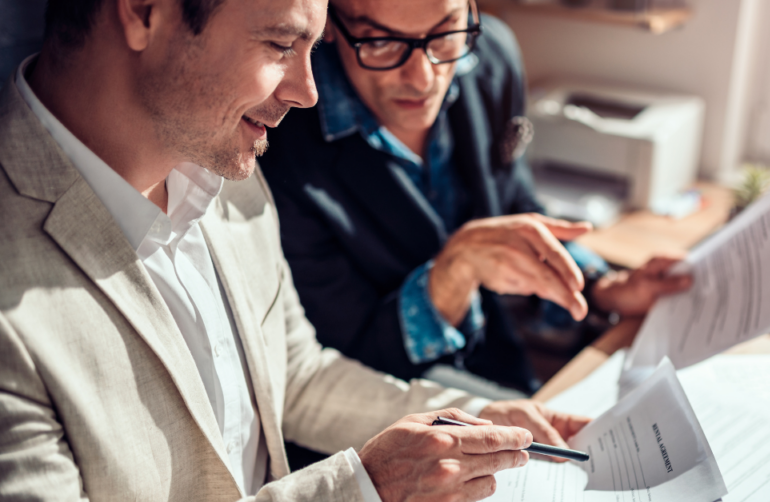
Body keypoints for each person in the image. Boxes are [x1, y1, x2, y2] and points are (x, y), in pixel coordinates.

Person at [0, 0, 589, 500]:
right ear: (143, 11)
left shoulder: (223, 169)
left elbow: (297, 377)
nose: (307, 92)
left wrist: (466, 419)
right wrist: (362, 489)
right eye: (282, 44)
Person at [258, 0, 693, 399]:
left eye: (446, 32)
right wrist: (451, 275)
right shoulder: (276, 140)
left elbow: (514, 211)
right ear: (328, 23)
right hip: (388, 410)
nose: (423, 77)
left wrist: (603, 289)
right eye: (383, 42)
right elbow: (335, 365)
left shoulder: (490, 57)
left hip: (501, 368)